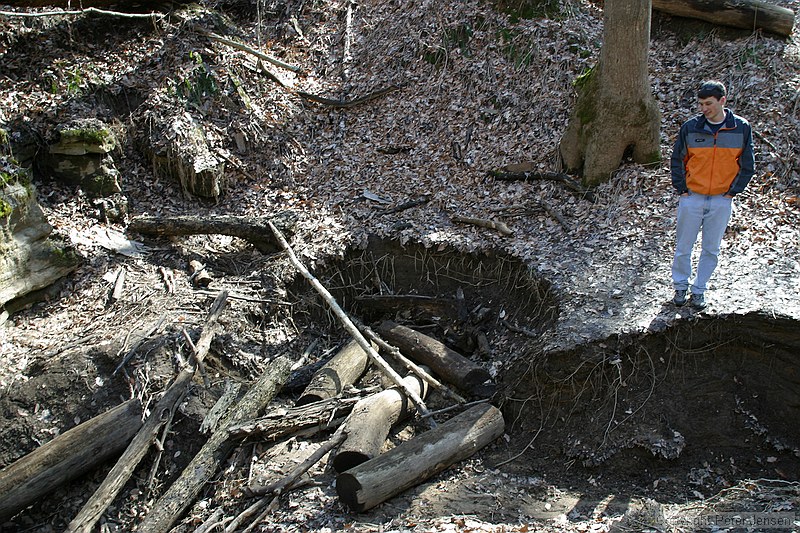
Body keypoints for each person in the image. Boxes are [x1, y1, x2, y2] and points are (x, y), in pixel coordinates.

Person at [670, 80, 755, 309]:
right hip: (692, 197)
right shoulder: (691, 127)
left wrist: (732, 193)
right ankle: (680, 286)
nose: (703, 108)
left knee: (711, 248)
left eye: (708, 103)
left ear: (722, 101)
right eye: (700, 104)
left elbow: (748, 165)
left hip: (721, 199)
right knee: (683, 246)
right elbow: (677, 159)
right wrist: (682, 190)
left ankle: (699, 290)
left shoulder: (741, 128)